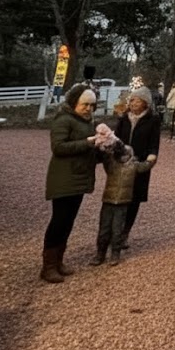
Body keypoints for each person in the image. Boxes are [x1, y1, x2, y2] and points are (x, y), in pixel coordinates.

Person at [41, 83, 101, 284]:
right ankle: (48, 265)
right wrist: (88, 143)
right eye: (85, 104)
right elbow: (58, 147)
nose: (88, 109)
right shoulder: (63, 119)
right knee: (59, 221)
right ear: (74, 102)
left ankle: (58, 260)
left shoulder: (87, 121)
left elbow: (87, 149)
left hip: (79, 177)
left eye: (92, 106)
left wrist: (102, 147)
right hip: (64, 177)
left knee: (68, 221)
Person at [90, 135, 155, 267]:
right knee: (104, 228)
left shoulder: (133, 166)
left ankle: (115, 253)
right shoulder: (112, 163)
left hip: (122, 202)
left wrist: (151, 160)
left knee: (117, 229)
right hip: (108, 200)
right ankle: (100, 253)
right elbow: (104, 156)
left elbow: (145, 166)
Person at [112, 86, 161, 249]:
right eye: (131, 100)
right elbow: (115, 138)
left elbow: (154, 143)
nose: (133, 103)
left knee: (134, 200)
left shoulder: (153, 120)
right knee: (117, 197)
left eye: (137, 100)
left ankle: (125, 233)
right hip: (122, 162)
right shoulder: (124, 118)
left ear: (145, 103)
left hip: (139, 163)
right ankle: (113, 233)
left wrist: (150, 160)